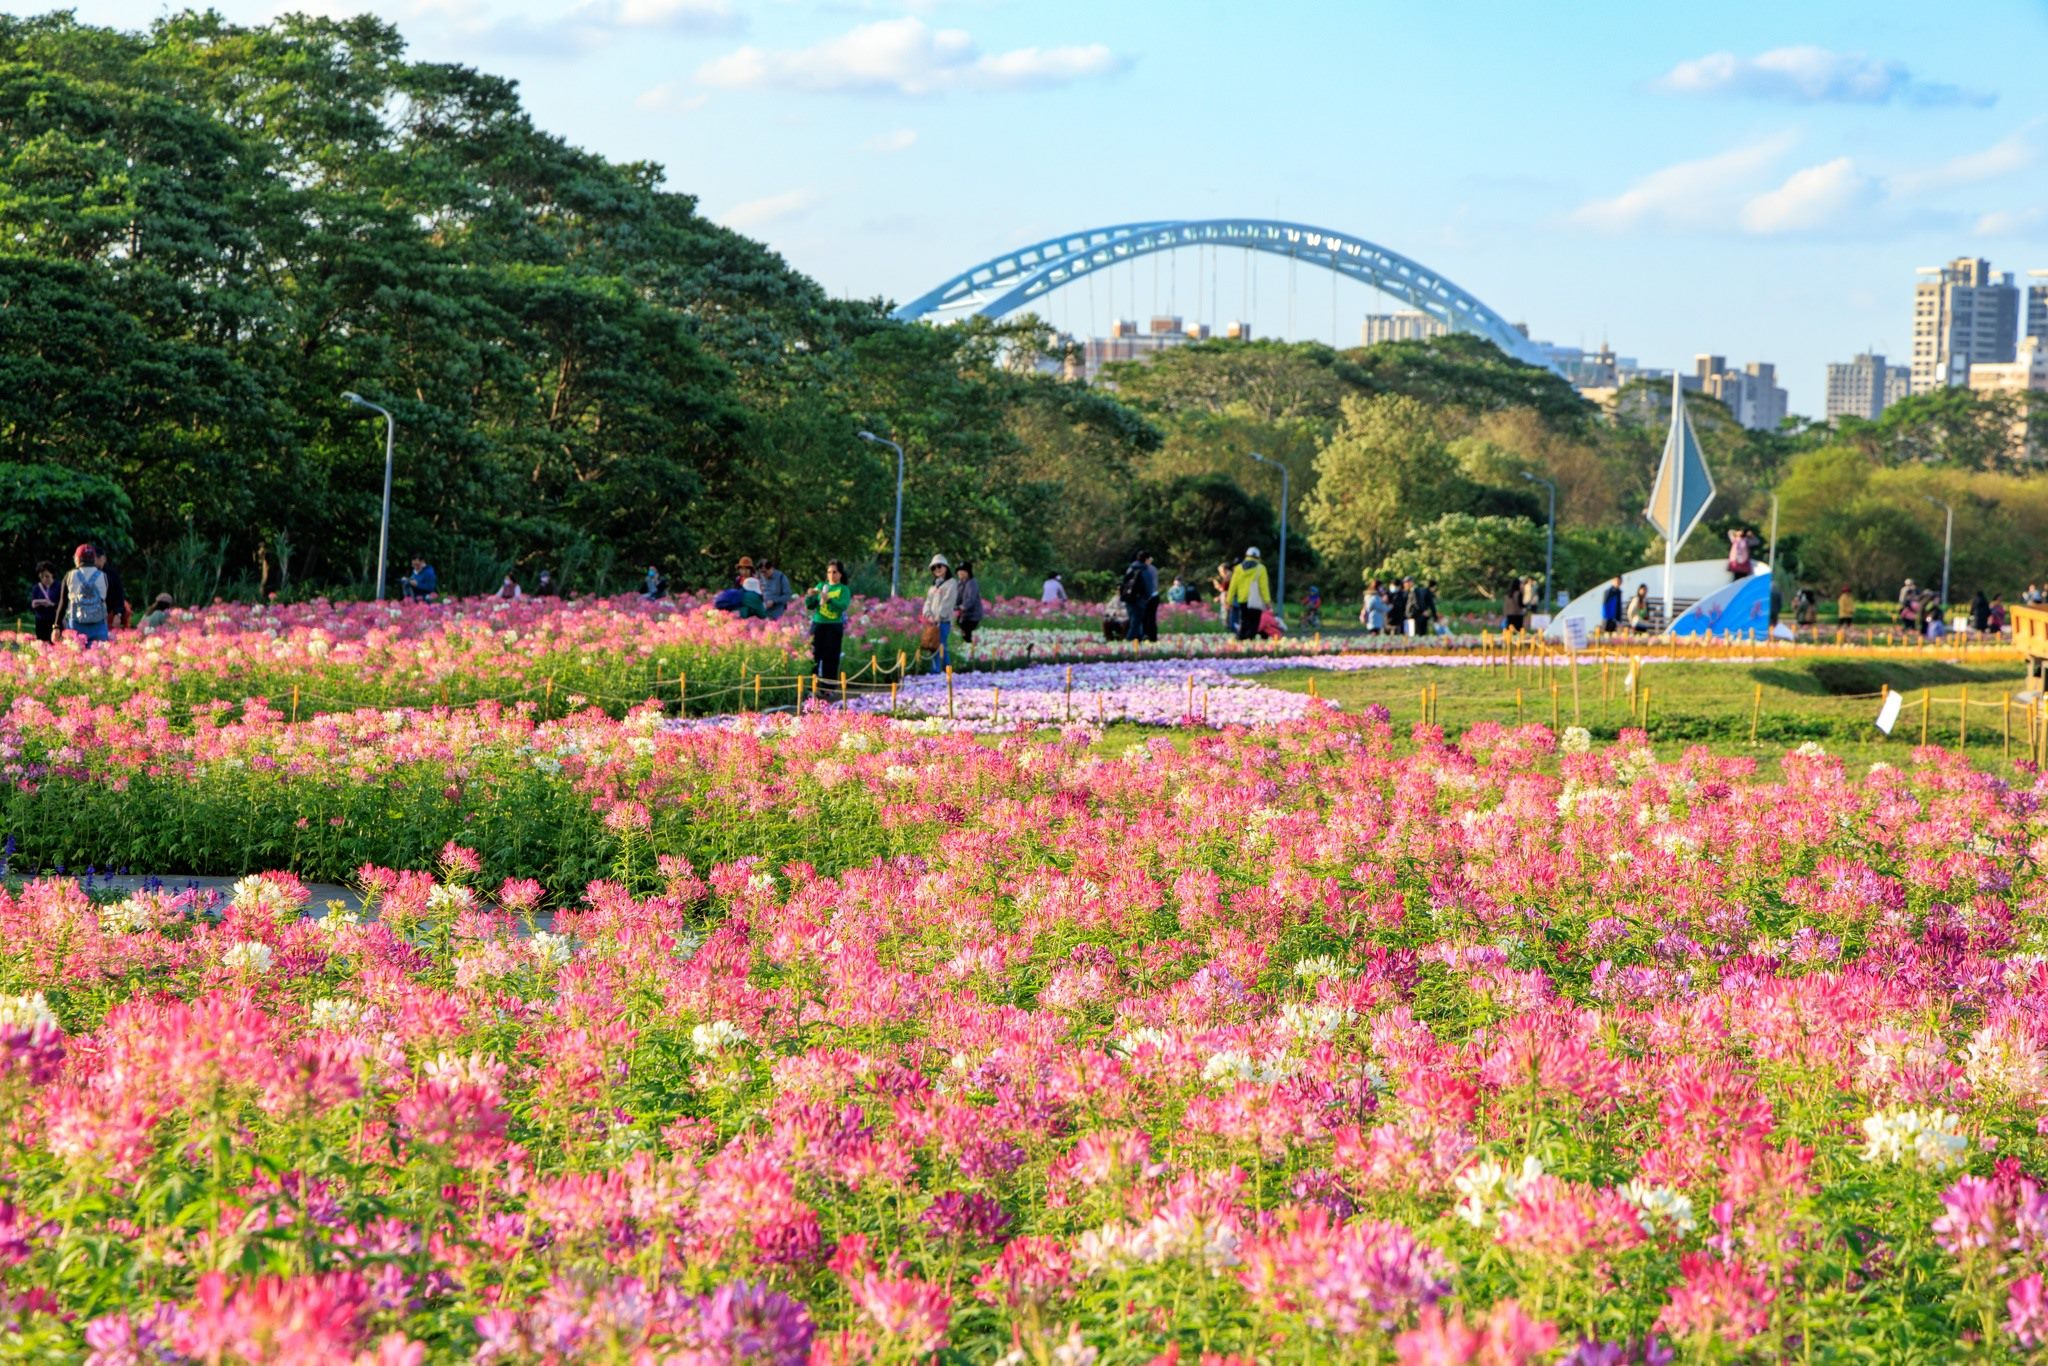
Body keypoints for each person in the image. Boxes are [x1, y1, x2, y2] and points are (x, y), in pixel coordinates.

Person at [53, 544, 111, 646]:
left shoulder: (69, 576)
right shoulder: (104, 576)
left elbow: (62, 603)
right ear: (94, 559)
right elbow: (108, 600)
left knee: (77, 658)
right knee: (99, 658)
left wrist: (56, 626)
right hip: (98, 625)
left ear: (77, 559)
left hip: (76, 626)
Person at [805, 560, 852, 685]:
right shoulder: (820, 586)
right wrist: (809, 596)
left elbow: (843, 605)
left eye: (834, 572)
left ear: (840, 574)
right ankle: (812, 686)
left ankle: (828, 687)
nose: (831, 575)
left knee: (831, 657)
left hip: (834, 626)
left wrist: (829, 599)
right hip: (818, 624)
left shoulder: (843, 589)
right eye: (829, 572)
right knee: (814, 655)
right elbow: (810, 605)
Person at [922, 554, 960, 673]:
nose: (937, 569)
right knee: (935, 645)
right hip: (932, 621)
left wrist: (939, 616)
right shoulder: (933, 586)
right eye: (934, 567)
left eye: (939, 566)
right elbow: (927, 602)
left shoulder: (951, 583)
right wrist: (928, 615)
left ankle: (936, 670)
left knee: (939, 645)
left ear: (946, 567)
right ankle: (947, 669)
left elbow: (948, 601)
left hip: (943, 621)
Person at [1226, 546, 1271, 642]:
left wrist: (1228, 601)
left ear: (1246, 556)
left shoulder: (1238, 569)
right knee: (1253, 624)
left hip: (1242, 600)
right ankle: (1250, 642)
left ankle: (1241, 641)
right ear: (1258, 557)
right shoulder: (1261, 569)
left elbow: (1233, 585)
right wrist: (1267, 601)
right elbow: (1264, 587)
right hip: (1255, 601)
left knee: (1244, 621)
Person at [1120, 551, 1159, 643]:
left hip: (1129, 599)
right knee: (1136, 623)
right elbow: (1149, 588)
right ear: (1146, 559)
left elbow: (1124, 582)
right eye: (1150, 558)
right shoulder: (1147, 570)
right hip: (1140, 600)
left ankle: (1138, 641)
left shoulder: (1131, 568)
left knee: (1134, 621)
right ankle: (1128, 642)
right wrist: (1145, 598)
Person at [95, 549, 131, 629]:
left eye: (99, 558)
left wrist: (118, 614)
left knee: (126, 608)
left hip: (111, 609)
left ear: (104, 558)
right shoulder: (88, 573)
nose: (97, 561)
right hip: (93, 610)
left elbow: (119, 594)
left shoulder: (112, 574)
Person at [953, 561, 985, 645]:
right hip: (964, 614)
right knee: (958, 624)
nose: (960, 573)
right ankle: (966, 645)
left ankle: (969, 646)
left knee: (965, 628)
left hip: (973, 614)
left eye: (963, 571)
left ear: (968, 572)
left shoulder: (972, 583)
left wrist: (962, 607)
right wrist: (953, 605)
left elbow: (971, 599)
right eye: (959, 571)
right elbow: (958, 597)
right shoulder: (960, 583)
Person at [28, 562, 57, 643]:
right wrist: (41, 602)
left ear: (52, 574)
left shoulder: (58, 586)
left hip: (54, 621)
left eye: (47, 576)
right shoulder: (37, 588)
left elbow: (62, 604)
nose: (44, 579)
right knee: (42, 644)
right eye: (42, 576)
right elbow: (32, 604)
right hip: (40, 621)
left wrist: (51, 604)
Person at [1212, 561, 1236, 633]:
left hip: (1227, 600)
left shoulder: (1228, 576)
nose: (1220, 574)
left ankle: (1227, 631)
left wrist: (1217, 586)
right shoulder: (1231, 575)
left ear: (1225, 570)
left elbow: (1224, 589)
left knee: (1226, 616)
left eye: (1221, 571)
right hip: (1228, 598)